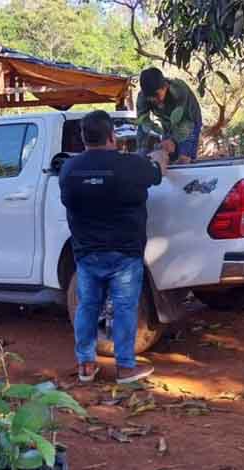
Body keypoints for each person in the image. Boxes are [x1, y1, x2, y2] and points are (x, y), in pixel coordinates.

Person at [59, 110, 170, 384]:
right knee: (124, 308)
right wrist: (162, 152)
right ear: (112, 136)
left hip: (87, 255)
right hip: (125, 254)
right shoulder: (130, 166)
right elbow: (159, 171)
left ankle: (86, 366)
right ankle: (125, 369)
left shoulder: (69, 170)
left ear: (84, 138)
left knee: (87, 307)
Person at [136, 67, 203, 163]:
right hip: (168, 124)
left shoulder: (179, 90)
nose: (154, 100)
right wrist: (141, 151)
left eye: (157, 96)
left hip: (189, 120)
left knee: (184, 158)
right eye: (150, 98)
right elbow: (143, 125)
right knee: (165, 158)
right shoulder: (142, 98)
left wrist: (172, 140)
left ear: (165, 86)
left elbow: (183, 124)